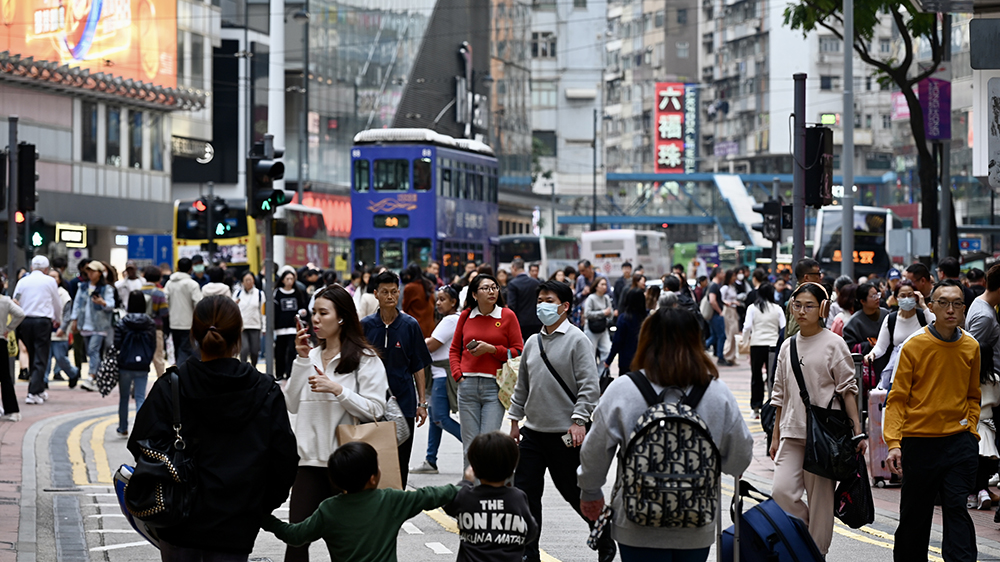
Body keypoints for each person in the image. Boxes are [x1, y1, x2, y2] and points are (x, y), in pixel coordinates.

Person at [128, 295, 298, 560]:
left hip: (178, 522)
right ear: (238, 335)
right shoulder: (265, 391)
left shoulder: (172, 386)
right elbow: (285, 461)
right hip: (237, 525)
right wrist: (258, 505)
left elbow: (140, 444)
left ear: (194, 335)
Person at [579, 307, 754, 562]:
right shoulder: (718, 394)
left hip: (635, 523)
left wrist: (591, 492)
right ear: (697, 341)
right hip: (696, 522)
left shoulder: (623, 390)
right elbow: (739, 458)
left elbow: (594, 451)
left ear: (646, 340)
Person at [508, 280, 612, 562]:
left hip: (566, 434)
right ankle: (529, 553)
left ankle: (604, 535)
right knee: (525, 494)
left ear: (565, 306)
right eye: (540, 299)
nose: (542, 304)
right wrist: (515, 420)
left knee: (573, 491)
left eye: (549, 300)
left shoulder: (578, 340)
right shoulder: (533, 342)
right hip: (533, 433)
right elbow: (522, 387)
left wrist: (579, 420)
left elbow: (589, 387)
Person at [284, 284, 390, 561]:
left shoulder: (366, 360)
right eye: (314, 313)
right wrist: (301, 359)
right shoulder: (310, 356)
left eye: (323, 313)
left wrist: (337, 390)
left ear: (341, 317)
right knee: (296, 542)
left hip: (348, 467)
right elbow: (291, 404)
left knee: (348, 548)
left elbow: (376, 409)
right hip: (308, 464)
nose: (315, 320)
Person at [885, 279, 981, 561]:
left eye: (957, 303)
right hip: (919, 444)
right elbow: (897, 399)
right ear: (932, 306)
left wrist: (971, 430)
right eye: (944, 303)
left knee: (956, 508)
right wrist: (893, 443)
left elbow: (973, 395)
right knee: (915, 517)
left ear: (964, 308)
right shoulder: (913, 346)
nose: (951, 309)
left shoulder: (971, 347)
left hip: (959, 443)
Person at [768, 282, 865, 556]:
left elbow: (848, 392)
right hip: (792, 431)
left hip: (824, 436)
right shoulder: (788, 345)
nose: (801, 311)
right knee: (782, 492)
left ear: (822, 308)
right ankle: (807, 540)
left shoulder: (835, 344)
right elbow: (779, 395)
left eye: (808, 306)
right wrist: (775, 435)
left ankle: (815, 553)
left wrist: (857, 431)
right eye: (796, 305)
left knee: (822, 504)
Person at [262, 441, 459, 562]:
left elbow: (295, 535)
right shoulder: (390, 500)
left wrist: (265, 519)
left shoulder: (329, 509)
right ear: (373, 478)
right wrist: (465, 489)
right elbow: (431, 495)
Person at [362, 271, 432, 487]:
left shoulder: (410, 325)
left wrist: (422, 403)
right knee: (372, 462)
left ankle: (396, 509)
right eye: (385, 292)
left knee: (400, 462)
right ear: (376, 294)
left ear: (399, 293)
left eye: (394, 291)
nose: (390, 296)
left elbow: (418, 366)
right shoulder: (365, 326)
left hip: (404, 404)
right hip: (371, 404)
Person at [449, 273, 523, 467]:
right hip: (467, 387)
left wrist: (491, 349)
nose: (491, 291)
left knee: (488, 446)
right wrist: (458, 375)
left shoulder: (507, 315)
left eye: (494, 287)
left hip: (494, 387)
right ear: (474, 294)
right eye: (486, 288)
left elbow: (518, 351)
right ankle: (470, 492)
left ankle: (486, 490)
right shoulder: (466, 316)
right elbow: (455, 349)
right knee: (470, 447)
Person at [444, 432, 539, 562]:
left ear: (474, 468)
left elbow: (448, 504)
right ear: (512, 468)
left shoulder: (466, 496)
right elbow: (531, 531)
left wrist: (466, 482)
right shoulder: (517, 497)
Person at [412, 286, 463, 475]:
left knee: (440, 418)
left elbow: (431, 345)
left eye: (443, 299)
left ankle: (477, 448)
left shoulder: (450, 320)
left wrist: (415, 343)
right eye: (438, 299)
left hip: (442, 378)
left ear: (453, 302)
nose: (439, 303)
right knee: (435, 419)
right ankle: (430, 460)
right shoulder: (451, 320)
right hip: (438, 376)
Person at [962, 264, 1000, 511]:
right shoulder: (985, 316)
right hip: (983, 390)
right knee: (984, 451)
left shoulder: (980, 304)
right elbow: (969, 354)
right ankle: (979, 489)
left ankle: (981, 489)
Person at [863, 280, 933, 387]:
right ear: (896, 298)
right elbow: (881, 346)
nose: (907, 299)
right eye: (903, 296)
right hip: (898, 372)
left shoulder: (923, 316)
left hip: (923, 370)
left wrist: (923, 305)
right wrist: (872, 354)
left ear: (916, 296)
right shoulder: (891, 319)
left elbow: (936, 326)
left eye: (910, 295)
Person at [12, 256, 62, 404]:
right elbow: (56, 302)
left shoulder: (23, 281)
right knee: (41, 356)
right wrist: (57, 319)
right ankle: (33, 392)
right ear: (46, 269)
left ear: (32, 267)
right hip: (42, 321)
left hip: (25, 321)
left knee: (33, 354)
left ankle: (39, 389)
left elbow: (16, 299)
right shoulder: (50, 281)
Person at [113, 291, 155, 437]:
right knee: (140, 397)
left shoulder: (123, 322)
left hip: (125, 364)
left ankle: (123, 427)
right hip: (142, 365)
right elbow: (153, 344)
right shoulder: (149, 322)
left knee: (124, 397)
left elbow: (117, 343)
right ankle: (140, 430)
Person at [741, 283, 785, 417]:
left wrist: (745, 340)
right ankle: (772, 406)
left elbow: (747, 327)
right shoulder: (777, 309)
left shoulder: (752, 308)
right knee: (773, 376)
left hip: (756, 344)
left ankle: (756, 407)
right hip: (773, 345)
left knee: (756, 376)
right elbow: (783, 327)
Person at [843, 282, 891, 381]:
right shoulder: (853, 323)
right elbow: (848, 348)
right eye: (873, 296)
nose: (877, 298)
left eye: (877, 294)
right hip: (866, 370)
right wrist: (868, 345)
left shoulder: (887, 315)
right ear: (863, 301)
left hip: (888, 363)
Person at [164, 258, 203, 366]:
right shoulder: (192, 284)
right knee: (186, 351)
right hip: (189, 324)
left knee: (178, 350)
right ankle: (184, 373)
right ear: (191, 269)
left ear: (177, 268)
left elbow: (165, 301)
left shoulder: (169, 284)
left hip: (174, 323)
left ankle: (180, 371)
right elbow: (198, 304)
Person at [274, 269, 308, 380]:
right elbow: (274, 310)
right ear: (283, 280)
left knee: (291, 351)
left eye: (292, 279)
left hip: (293, 328)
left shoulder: (298, 292)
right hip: (280, 328)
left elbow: (303, 307)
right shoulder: (277, 293)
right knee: (280, 351)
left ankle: (289, 373)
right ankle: (279, 373)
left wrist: (302, 312)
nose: (289, 281)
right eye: (287, 279)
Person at [47, 270, 79, 384]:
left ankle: (73, 373)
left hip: (60, 331)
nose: (52, 279)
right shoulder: (43, 292)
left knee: (61, 358)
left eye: (55, 277)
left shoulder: (63, 294)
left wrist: (63, 328)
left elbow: (67, 314)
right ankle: (43, 380)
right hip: (46, 330)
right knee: (46, 359)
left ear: (60, 279)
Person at [605, 290, 645, 375]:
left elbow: (617, 341)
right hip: (643, 360)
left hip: (626, 360)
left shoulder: (624, 318)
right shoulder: (646, 319)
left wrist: (609, 360)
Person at [782, 259, 822, 340]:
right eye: (817, 274)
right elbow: (794, 330)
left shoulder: (805, 295)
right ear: (806, 277)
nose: (820, 277)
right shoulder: (799, 298)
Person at [140, 267, 169, 377]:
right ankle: (162, 383)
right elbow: (164, 312)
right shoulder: (159, 293)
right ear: (159, 278)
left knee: (141, 356)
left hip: (141, 328)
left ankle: (136, 385)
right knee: (158, 358)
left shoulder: (138, 291)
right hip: (156, 328)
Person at [0, 294, 25, 421]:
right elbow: (20, 314)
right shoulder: (5, 301)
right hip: (1, 341)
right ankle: (13, 410)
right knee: (5, 377)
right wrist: (9, 328)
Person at [505, 258, 542, 340]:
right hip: (536, 320)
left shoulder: (513, 284)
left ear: (514, 268)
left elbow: (512, 305)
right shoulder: (535, 282)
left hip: (520, 322)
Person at [233, 270, 263, 365]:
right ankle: (243, 369)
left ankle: (253, 369)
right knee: (244, 349)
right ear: (242, 282)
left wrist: (264, 326)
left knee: (254, 350)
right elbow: (232, 309)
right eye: (246, 280)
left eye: (250, 280)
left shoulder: (259, 294)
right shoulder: (237, 294)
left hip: (255, 325)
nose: (249, 282)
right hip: (242, 327)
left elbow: (263, 311)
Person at [583, 277, 613, 368]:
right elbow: (587, 314)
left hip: (603, 328)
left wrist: (608, 313)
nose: (604, 287)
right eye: (602, 284)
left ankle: (601, 374)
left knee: (607, 351)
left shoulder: (606, 298)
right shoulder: (591, 298)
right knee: (590, 354)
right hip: (591, 329)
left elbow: (610, 313)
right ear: (596, 286)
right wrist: (602, 313)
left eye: (605, 284)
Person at [401, 262, 436, 338]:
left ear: (409, 275)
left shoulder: (410, 287)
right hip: (430, 326)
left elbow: (405, 308)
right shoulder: (428, 284)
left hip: (416, 326)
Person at [706, 267, 728, 366]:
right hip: (716, 315)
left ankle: (701, 349)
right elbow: (712, 300)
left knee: (714, 336)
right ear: (718, 274)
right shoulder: (714, 286)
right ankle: (720, 357)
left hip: (714, 315)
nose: (724, 275)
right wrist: (720, 311)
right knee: (721, 336)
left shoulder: (714, 285)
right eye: (722, 272)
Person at [721, 269, 741, 365]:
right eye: (733, 276)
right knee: (730, 333)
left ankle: (732, 357)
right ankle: (726, 355)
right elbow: (721, 299)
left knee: (734, 334)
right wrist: (731, 303)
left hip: (733, 311)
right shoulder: (725, 288)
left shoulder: (732, 287)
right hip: (728, 311)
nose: (735, 278)